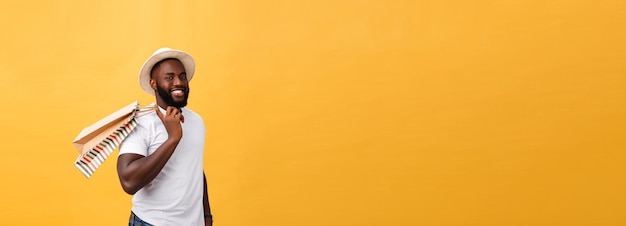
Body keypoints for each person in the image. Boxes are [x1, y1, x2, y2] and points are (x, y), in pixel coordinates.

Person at [117, 47, 213, 226]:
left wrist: (207, 215)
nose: (178, 82)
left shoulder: (196, 121)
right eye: (169, 77)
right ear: (154, 84)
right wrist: (172, 139)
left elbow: (194, 169)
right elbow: (128, 182)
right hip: (152, 222)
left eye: (182, 76)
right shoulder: (141, 122)